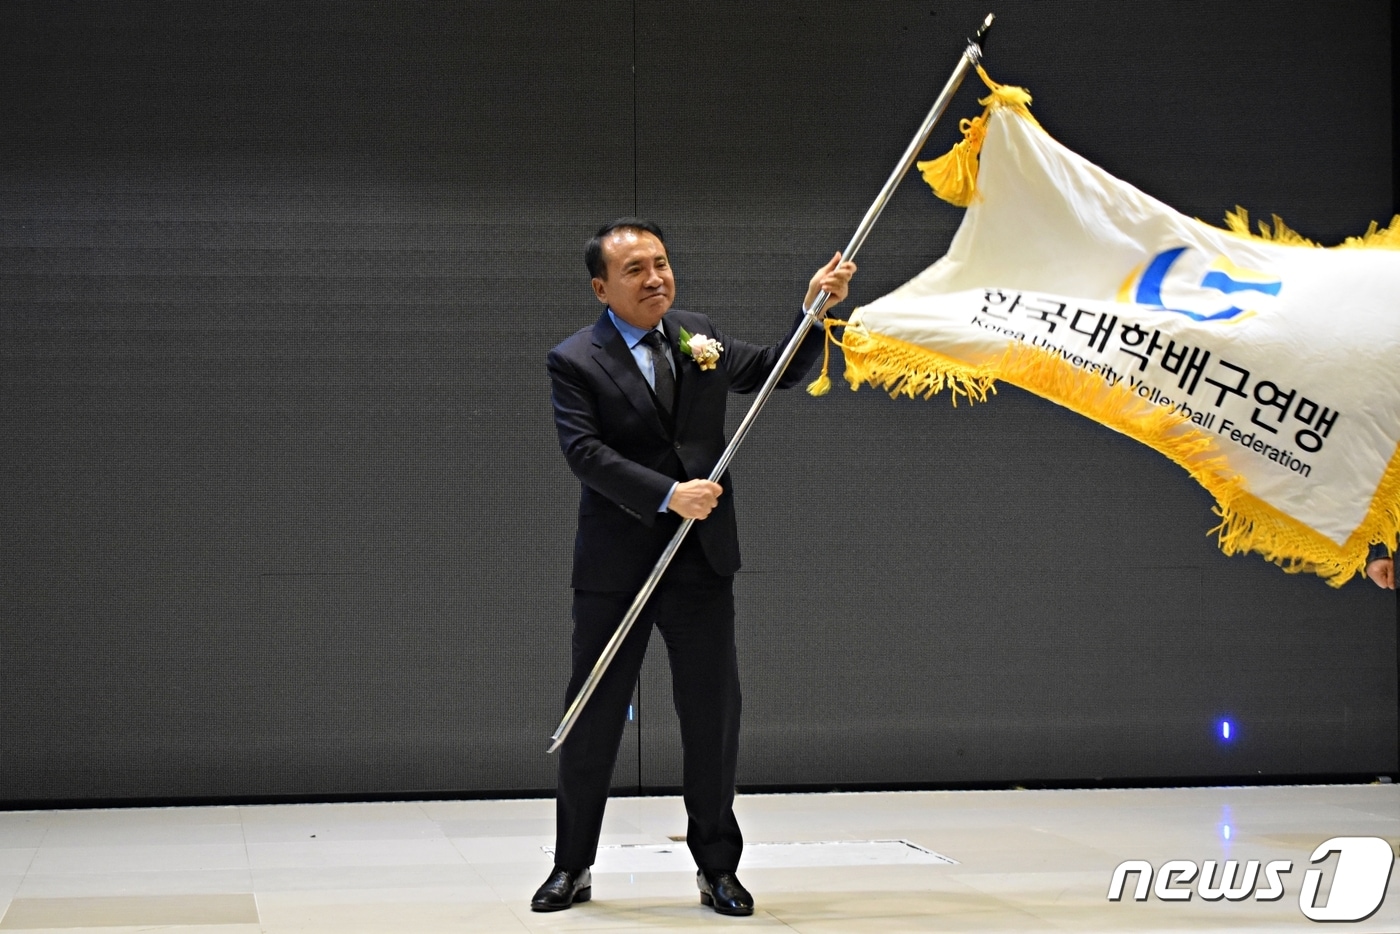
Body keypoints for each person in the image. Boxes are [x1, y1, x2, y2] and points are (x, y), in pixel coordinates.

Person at [533, 218, 855, 915]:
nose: (655, 278)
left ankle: (717, 869)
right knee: (592, 719)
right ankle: (572, 865)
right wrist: (668, 496)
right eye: (635, 270)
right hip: (615, 566)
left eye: (662, 263)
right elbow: (584, 454)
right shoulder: (574, 360)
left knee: (712, 717)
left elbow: (776, 371)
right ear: (601, 287)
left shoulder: (696, 336)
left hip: (700, 564)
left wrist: (813, 312)